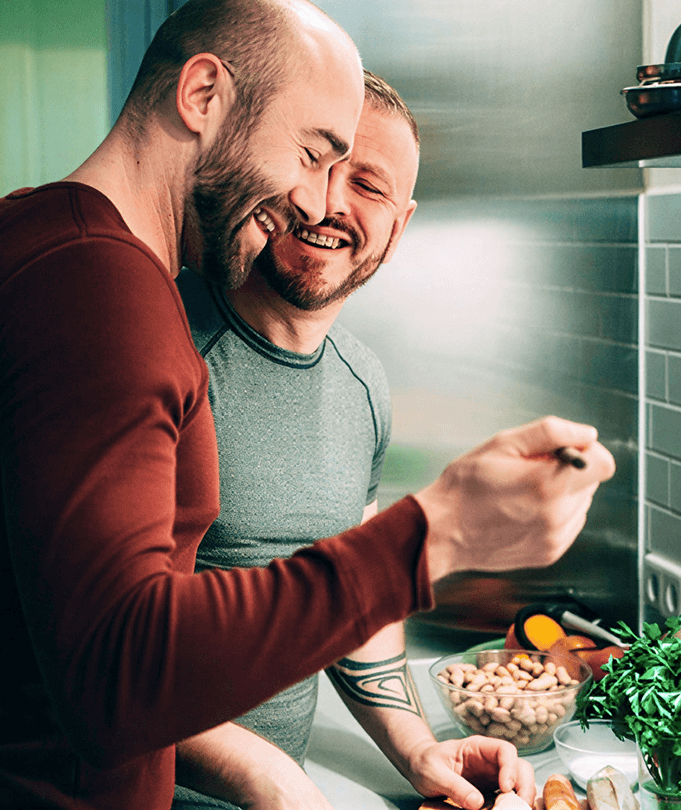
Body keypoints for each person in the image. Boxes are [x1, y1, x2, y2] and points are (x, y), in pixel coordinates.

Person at [0, 0, 614, 810]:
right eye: (311, 154)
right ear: (203, 93)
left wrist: (410, 737)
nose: (313, 198)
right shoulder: (101, 294)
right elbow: (119, 677)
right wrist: (435, 533)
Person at [172, 72, 536, 810]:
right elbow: (90, 647)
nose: (329, 201)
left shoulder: (362, 383)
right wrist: (266, 778)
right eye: (316, 164)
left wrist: (418, 749)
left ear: (398, 228)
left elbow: (353, 601)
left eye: (367, 184)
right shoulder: (161, 349)